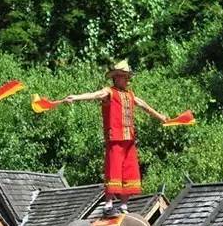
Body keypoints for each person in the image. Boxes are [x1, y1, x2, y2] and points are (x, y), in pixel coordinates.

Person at [61, 60, 169, 216]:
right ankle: (109, 204)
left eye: (126, 77)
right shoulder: (109, 92)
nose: (125, 79)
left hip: (129, 138)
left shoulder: (130, 94)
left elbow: (144, 105)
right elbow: (95, 95)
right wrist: (76, 97)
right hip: (115, 138)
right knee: (114, 169)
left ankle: (124, 205)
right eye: (121, 76)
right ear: (116, 77)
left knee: (129, 170)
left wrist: (160, 117)